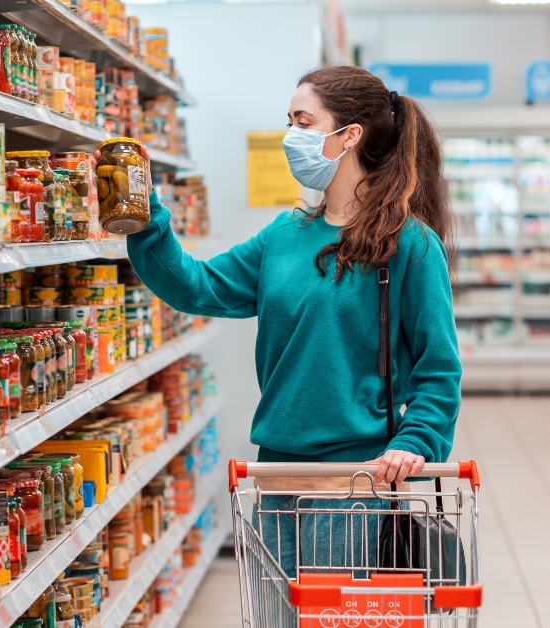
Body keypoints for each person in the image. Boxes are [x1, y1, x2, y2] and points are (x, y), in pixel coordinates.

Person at [126, 65, 461, 576]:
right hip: (277, 472)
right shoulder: (285, 234)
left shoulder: (410, 245)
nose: (290, 137)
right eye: (289, 121)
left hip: (357, 482)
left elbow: (438, 369)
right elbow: (198, 287)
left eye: (303, 122)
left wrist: (415, 442)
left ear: (349, 136)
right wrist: (145, 219)